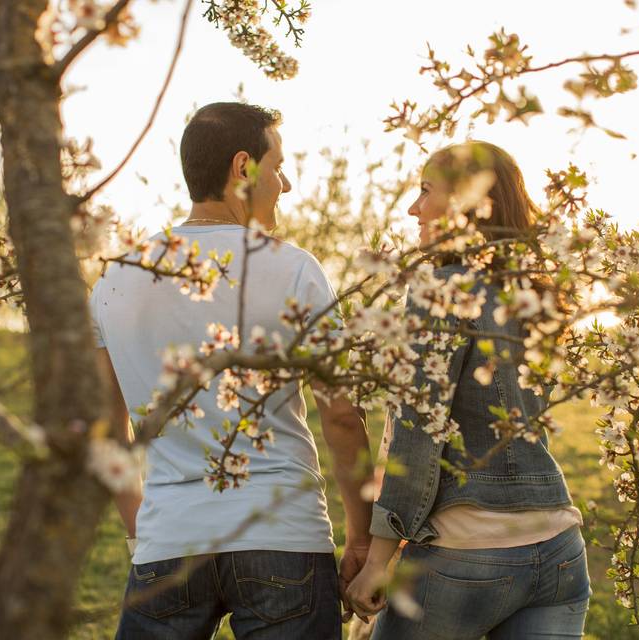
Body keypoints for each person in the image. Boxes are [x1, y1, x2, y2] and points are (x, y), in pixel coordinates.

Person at [90, 102, 373, 640]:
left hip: (167, 542)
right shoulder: (294, 269)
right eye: (278, 165)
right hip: (284, 538)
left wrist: (143, 531)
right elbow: (340, 417)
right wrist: (361, 537)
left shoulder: (115, 281)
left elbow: (108, 432)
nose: (284, 184)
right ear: (243, 167)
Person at [346, 142, 591, 639]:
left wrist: (376, 561)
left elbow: (416, 436)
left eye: (424, 191)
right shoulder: (533, 293)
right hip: (560, 551)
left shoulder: (442, 288)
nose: (413, 208)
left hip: (466, 557)